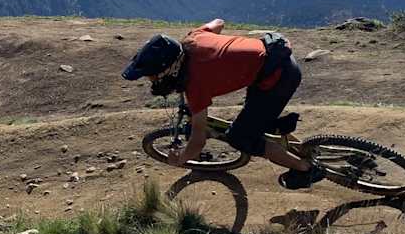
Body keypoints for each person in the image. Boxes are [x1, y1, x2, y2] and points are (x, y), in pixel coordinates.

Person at [121, 19, 324, 189]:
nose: (152, 81)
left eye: (153, 77)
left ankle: (306, 169)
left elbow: (198, 139)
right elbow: (219, 23)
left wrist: (181, 159)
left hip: (278, 77)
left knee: (241, 138)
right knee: (256, 118)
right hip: (273, 59)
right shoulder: (193, 38)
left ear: (169, 69)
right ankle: (302, 148)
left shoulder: (196, 84)